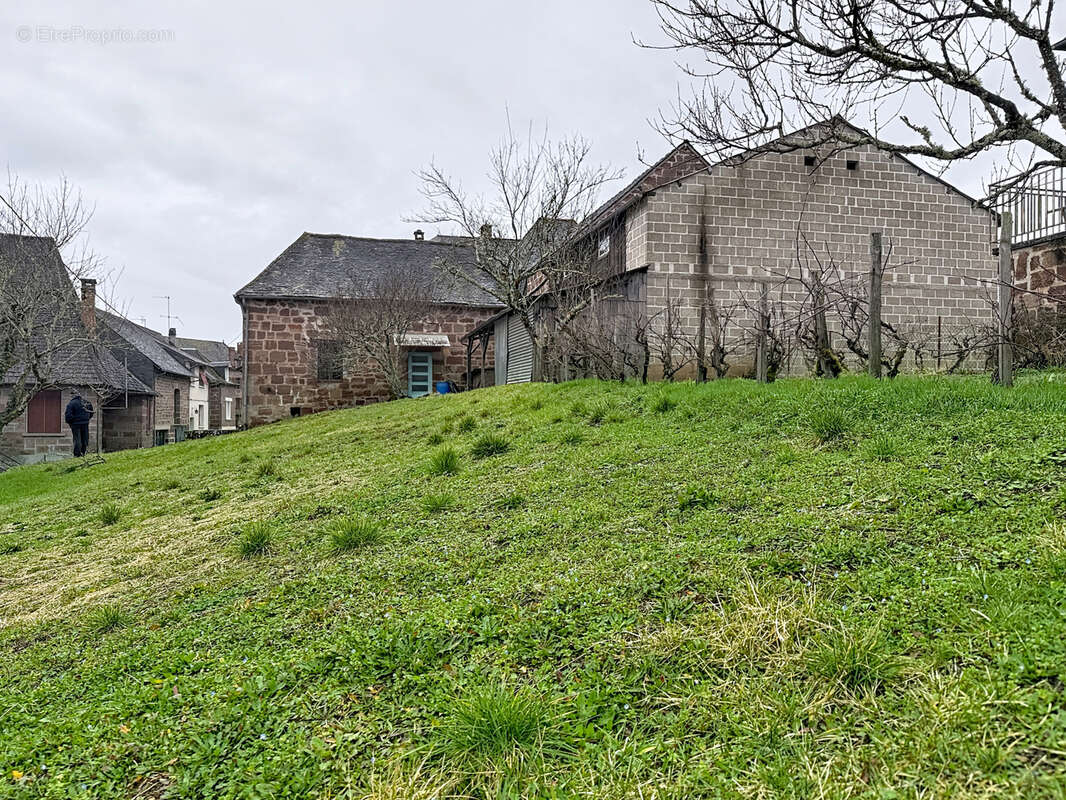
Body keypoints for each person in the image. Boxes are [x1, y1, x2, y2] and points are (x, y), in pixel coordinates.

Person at [64, 393, 94, 458]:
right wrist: (86, 419)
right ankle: (83, 452)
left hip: (75, 424)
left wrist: (70, 422)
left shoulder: (71, 403)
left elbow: (68, 415)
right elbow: (91, 413)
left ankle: (77, 454)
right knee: (84, 438)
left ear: (72, 396)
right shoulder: (87, 403)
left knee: (77, 439)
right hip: (85, 423)